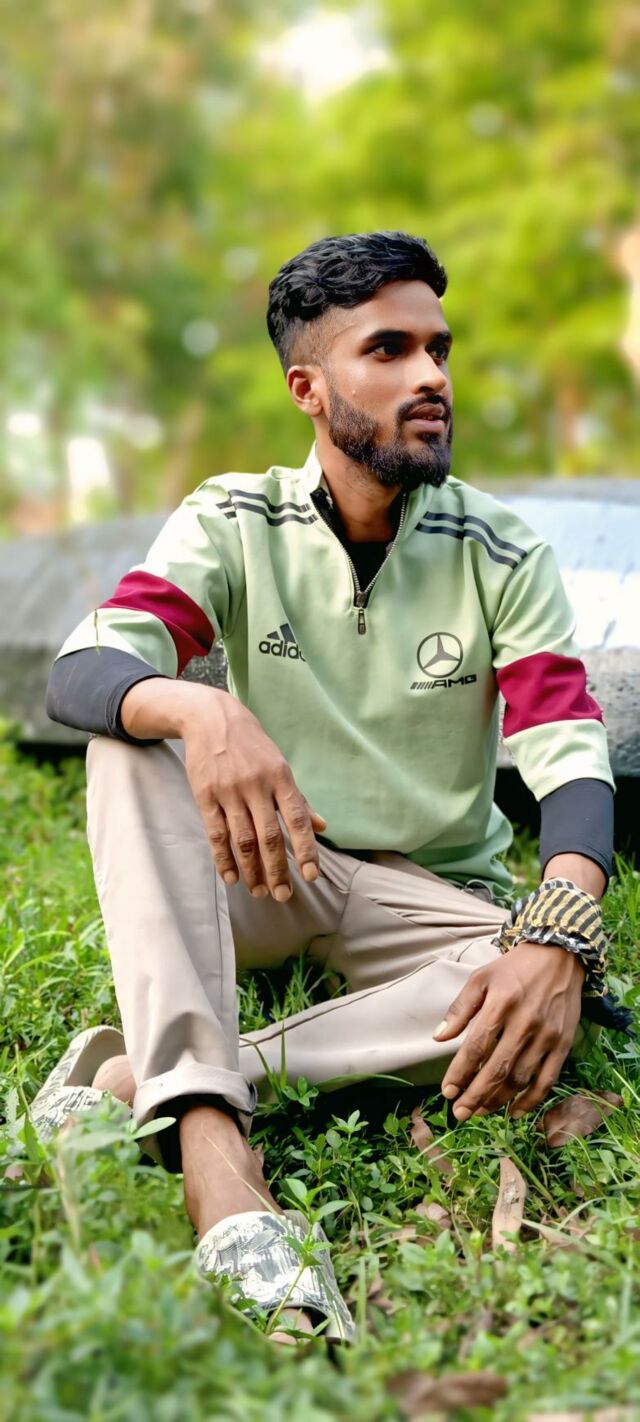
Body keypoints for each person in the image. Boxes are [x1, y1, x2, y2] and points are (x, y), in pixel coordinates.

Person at [45, 230, 615, 1341]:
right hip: (264, 865)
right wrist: (203, 709)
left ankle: (145, 1083)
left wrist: (561, 924)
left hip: (427, 898)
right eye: (389, 350)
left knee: (546, 997)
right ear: (308, 389)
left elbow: (567, 745)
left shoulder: (499, 549)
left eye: (438, 349)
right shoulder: (234, 517)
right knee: (130, 739)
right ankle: (217, 1163)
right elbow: (85, 668)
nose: (431, 377)